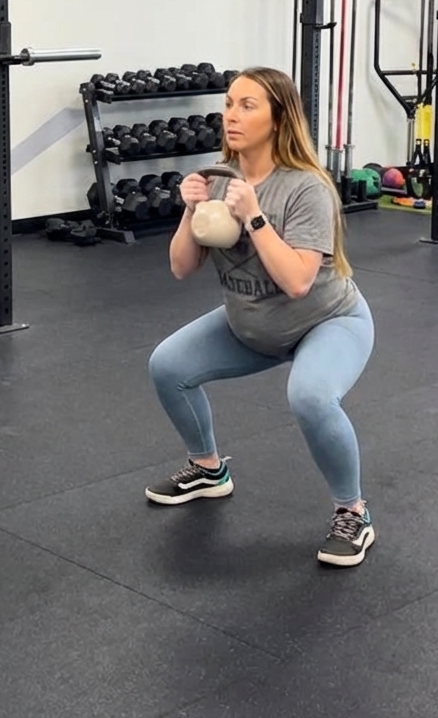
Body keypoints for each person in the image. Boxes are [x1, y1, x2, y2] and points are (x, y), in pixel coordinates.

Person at [145, 67, 376, 568]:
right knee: (167, 365)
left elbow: (297, 282)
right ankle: (208, 469)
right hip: (251, 323)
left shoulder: (306, 188)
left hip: (327, 322)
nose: (231, 115)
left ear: (278, 119)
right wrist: (189, 210)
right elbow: (181, 267)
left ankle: (353, 512)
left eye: (248, 106)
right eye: (229, 103)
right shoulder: (218, 180)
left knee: (310, 396)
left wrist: (253, 215)